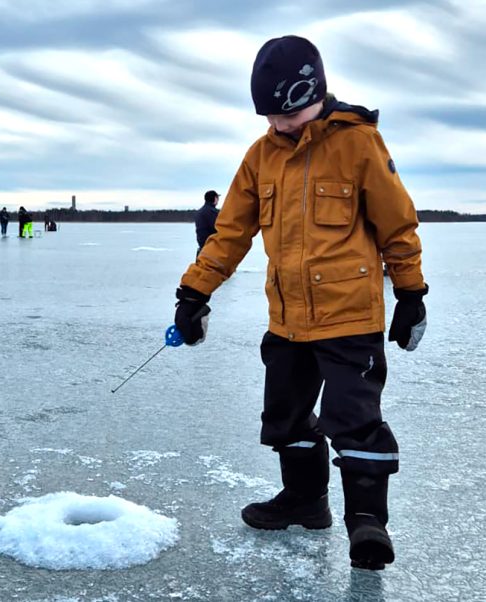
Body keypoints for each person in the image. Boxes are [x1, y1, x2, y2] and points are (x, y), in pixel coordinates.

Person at [172, 35, 428, 571]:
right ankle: (306, 502)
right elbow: (230, 234)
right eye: (268, 115)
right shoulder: (260, 155)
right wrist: (195, 292)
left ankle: (367, 524)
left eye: (286, 113)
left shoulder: (359, 144)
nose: (278, 125)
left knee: (355, 422)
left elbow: (397, 224)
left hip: (350, 318)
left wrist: (410, 294)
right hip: (287, 321)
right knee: (284, 418)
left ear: (315, 93)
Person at [195, 190, 220, 255]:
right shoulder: (214, 213)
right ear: (215, 198)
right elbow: (219, 229)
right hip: (212, 249)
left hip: (202, 248)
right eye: (217, 198)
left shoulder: (199, 212)